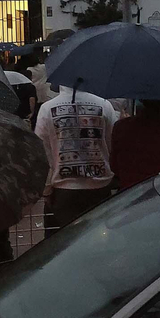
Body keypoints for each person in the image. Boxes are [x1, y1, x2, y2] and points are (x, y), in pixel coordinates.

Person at [34, 86, 118, 233]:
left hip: (63, 189)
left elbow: (42, 153)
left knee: (61, 240)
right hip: (99, 187)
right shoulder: (105, 106)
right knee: (96, 237)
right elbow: (113, 145)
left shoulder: (47, 109)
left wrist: (46, 190)